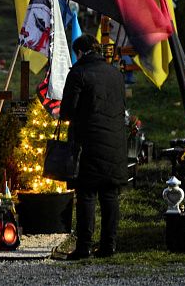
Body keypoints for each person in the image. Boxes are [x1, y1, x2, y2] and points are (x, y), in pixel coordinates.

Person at [59, 34, 128, 260]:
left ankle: (84, 246)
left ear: (80, 52)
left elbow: (68, 111)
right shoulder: (116, 74)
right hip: (115, 142)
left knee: (86, 194)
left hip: (87, 142)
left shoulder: (78, 73)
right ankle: (109, 245)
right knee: (110, 195)